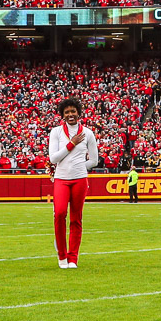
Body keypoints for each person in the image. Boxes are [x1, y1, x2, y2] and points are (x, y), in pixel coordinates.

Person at [49, 96, 99, 268]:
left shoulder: (88, 133)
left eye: (73, 111)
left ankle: (73, 258)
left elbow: (94, 160)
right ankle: (62, 256)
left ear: (78, 112)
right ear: (62, 115)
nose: (70, 114)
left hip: (79, 179)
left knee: (76, 219)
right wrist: (71, 144)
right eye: (67, 112)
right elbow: (53, 158)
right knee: (60, 214)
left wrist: (79, 167)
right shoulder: (56, 132)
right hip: (61, 179)